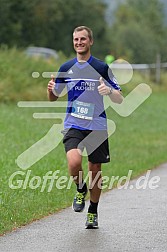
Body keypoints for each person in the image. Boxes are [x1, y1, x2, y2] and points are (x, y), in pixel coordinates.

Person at [47, 26, 123, 229]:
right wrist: (51, 91)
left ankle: (93, 212)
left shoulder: (101, 68)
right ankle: (81, 189)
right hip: (74, 123)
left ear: (90, 42)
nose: (79, 42)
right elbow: (54, 97)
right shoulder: (66, 67)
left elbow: (119, 99)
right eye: (76, 39)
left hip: (97, 125)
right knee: (73, 162)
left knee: (95, 169)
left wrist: (108, 91)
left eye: (83, 39)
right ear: (73, 42)